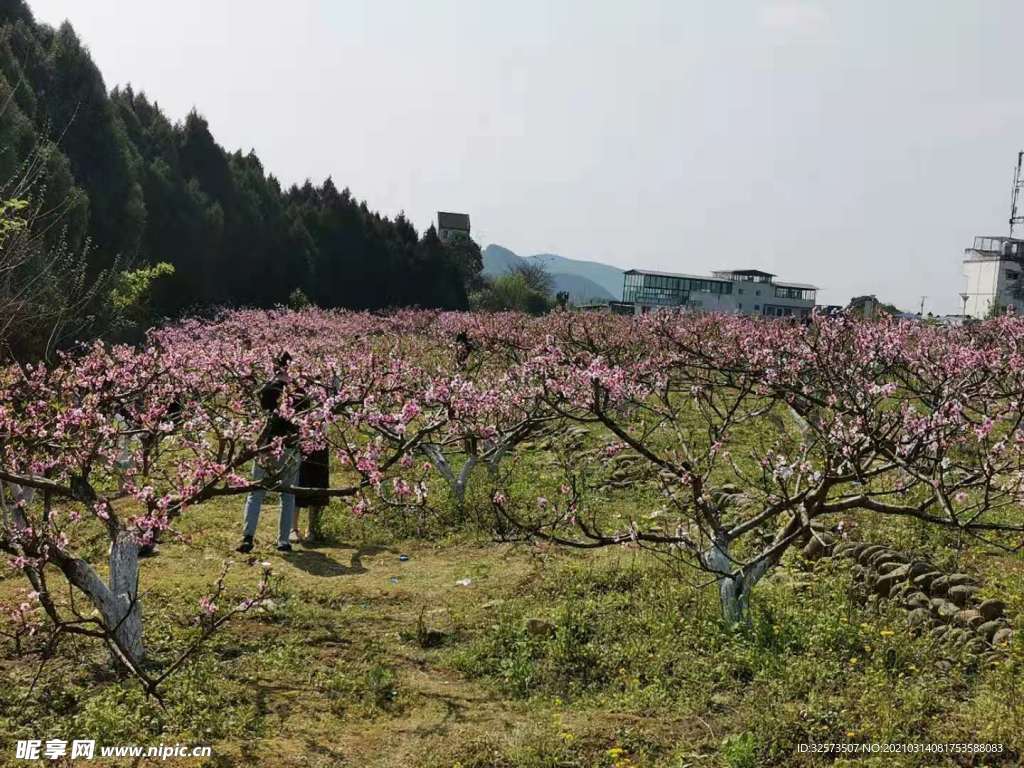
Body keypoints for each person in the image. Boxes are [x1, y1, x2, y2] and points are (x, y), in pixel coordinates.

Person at [237, 352, 300, 553]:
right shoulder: (299, 391)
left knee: (256, 493)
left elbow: (259, 413)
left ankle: (248, 537)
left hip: (266, 447)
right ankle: (283, 540)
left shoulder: (267, 389)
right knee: (288, 494)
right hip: (290, 447)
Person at [292, 447, 329, 543]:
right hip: (301, 444)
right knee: (299, 483)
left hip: (320, 445)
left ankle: (311, 529)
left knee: (319, 484)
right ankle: (293, 528)